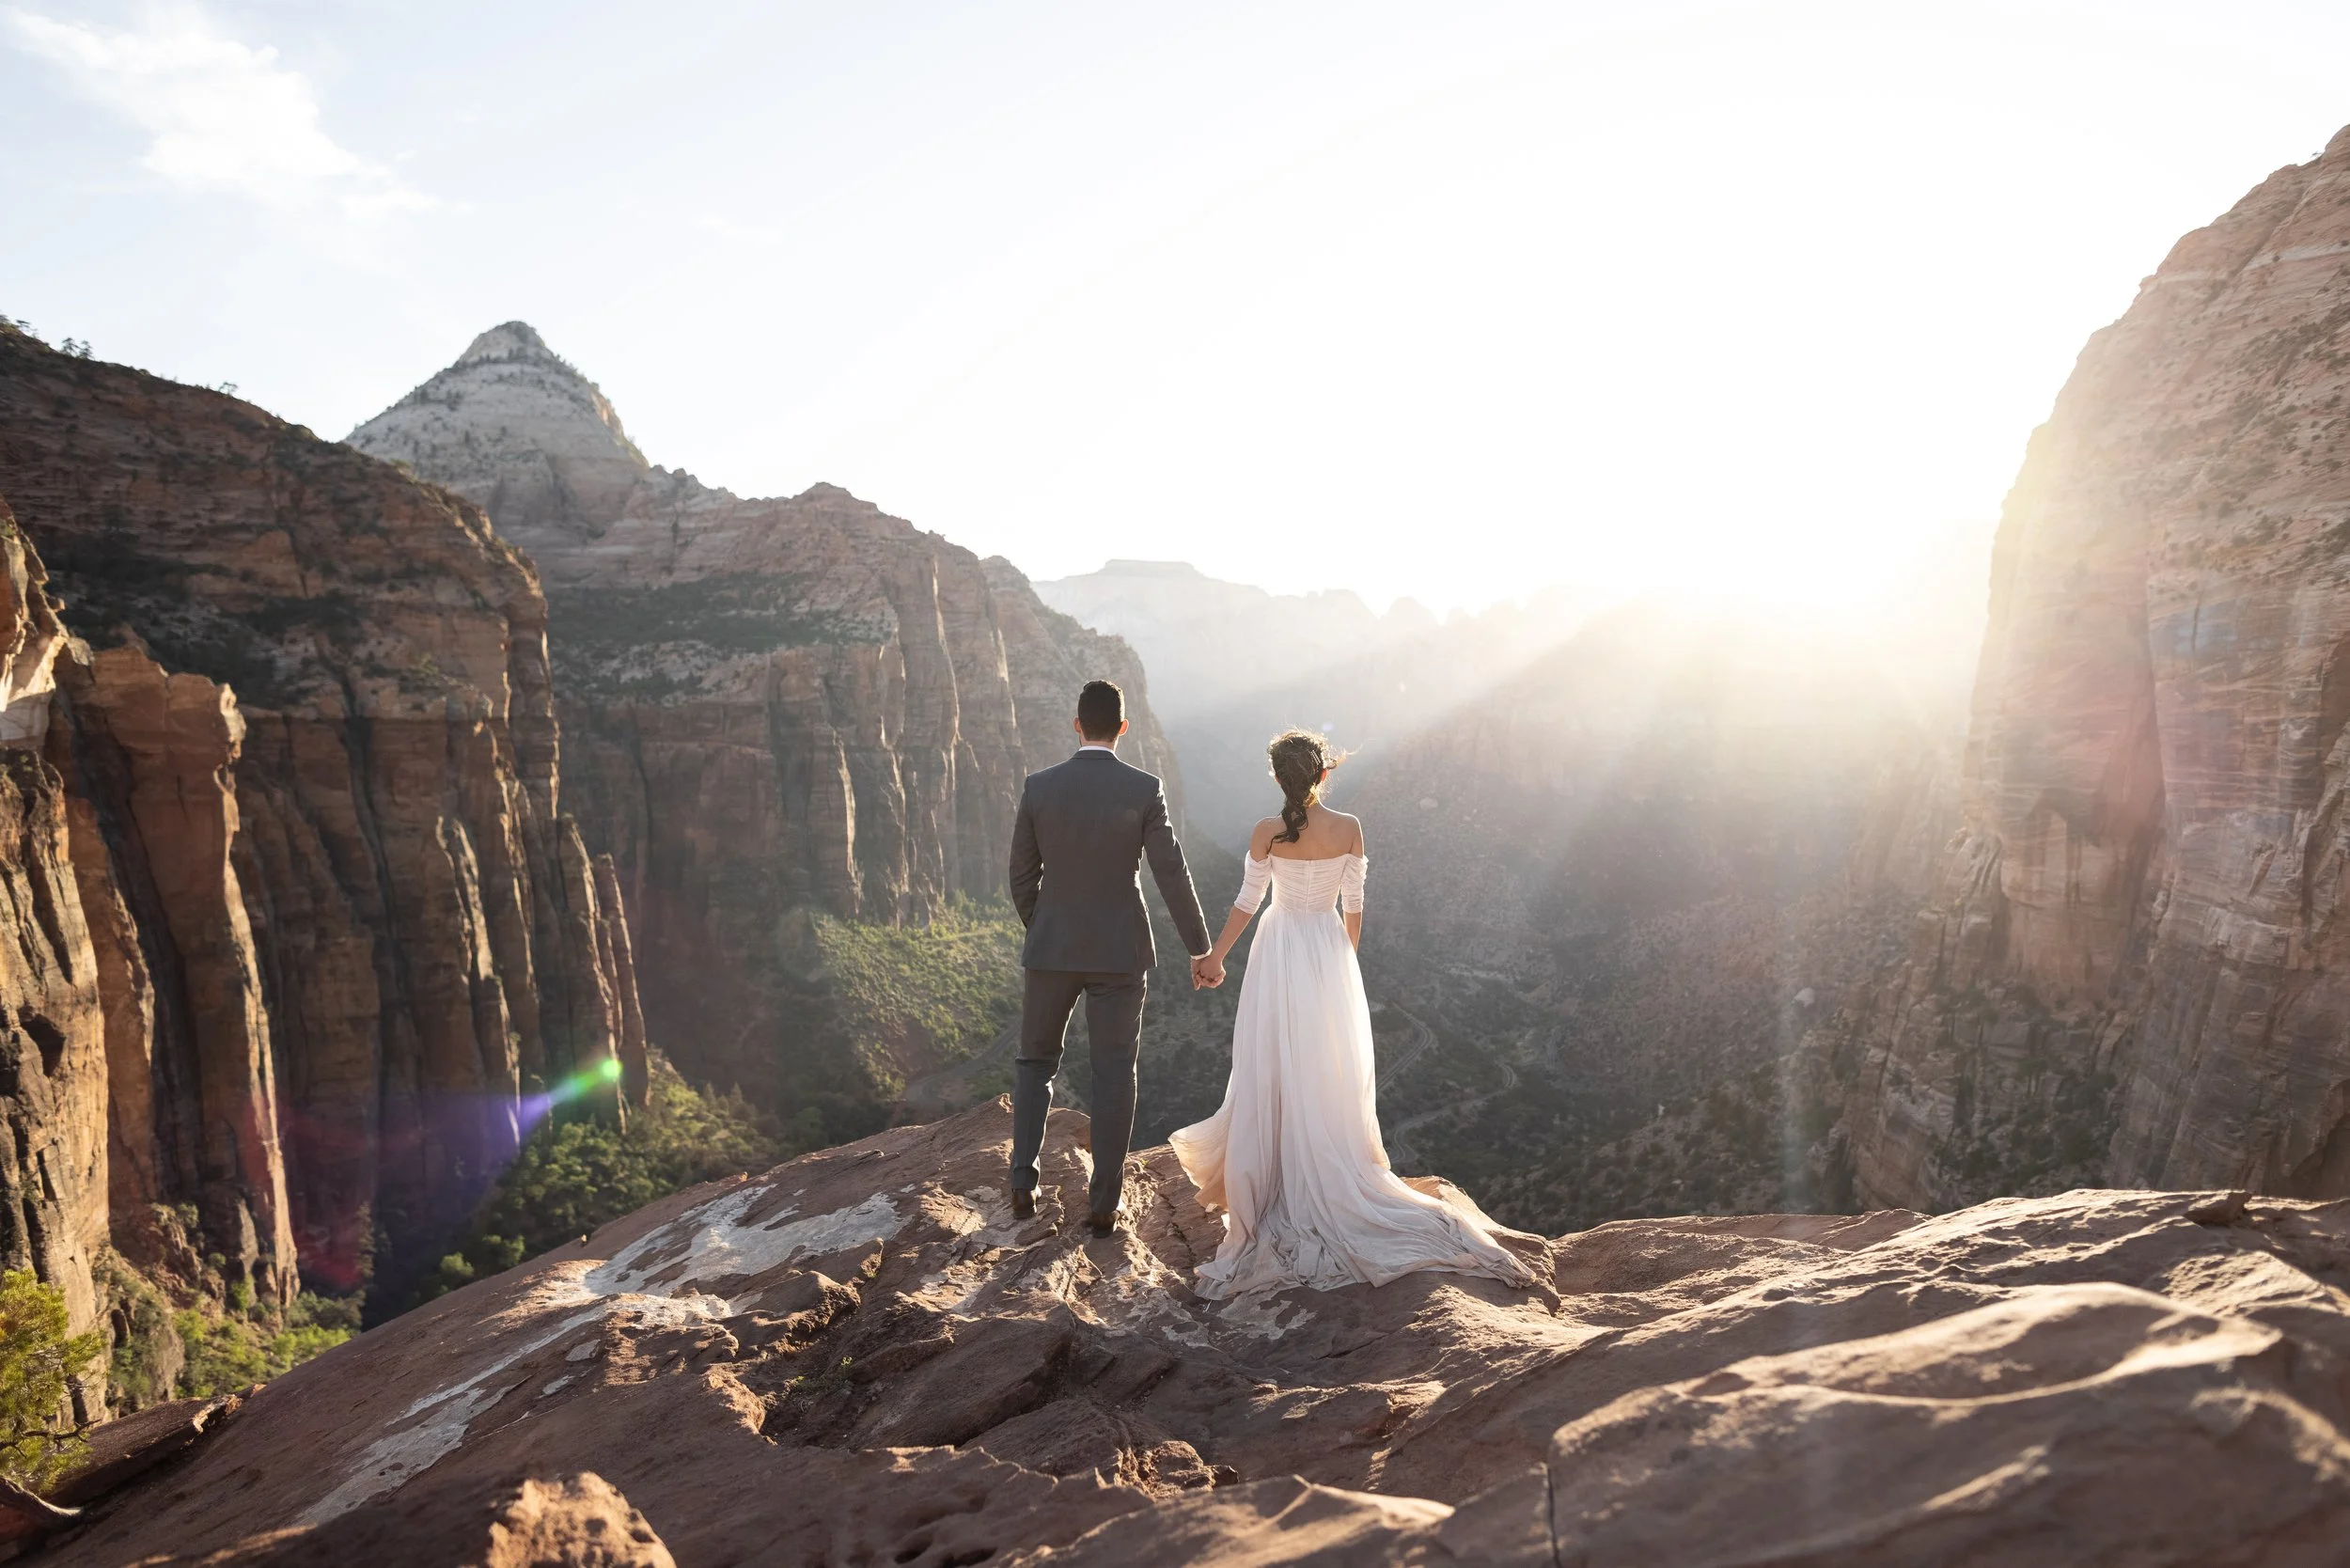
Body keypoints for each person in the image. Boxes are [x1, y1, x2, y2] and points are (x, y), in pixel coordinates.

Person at [1171, 729, 1533, 1297]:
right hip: (1327, 949)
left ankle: (1277, 1174)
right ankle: (1327, 1164)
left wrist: (1214, 957)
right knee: (1325, 1063)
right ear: (1321, 775)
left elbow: (1247, 901)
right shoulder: (1350, 828)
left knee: (1272, 1059)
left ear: (1278, 778)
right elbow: (1355, 908)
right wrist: (1342, 962)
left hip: (1280, 947)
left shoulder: (1267, 831)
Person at [1007, 679, 1216, 1234]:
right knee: (1114, 1071)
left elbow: (1021, 878)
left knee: (1034, 1064)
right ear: (1123, 728)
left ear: (1077, 725)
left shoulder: (1038, 788)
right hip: (1120, 953)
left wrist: (1047, 926)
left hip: (1051, 948)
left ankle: (1022, 1183)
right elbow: (1172, 872)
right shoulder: (1144, 789)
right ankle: (1103, 1204)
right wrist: (1202, 948)